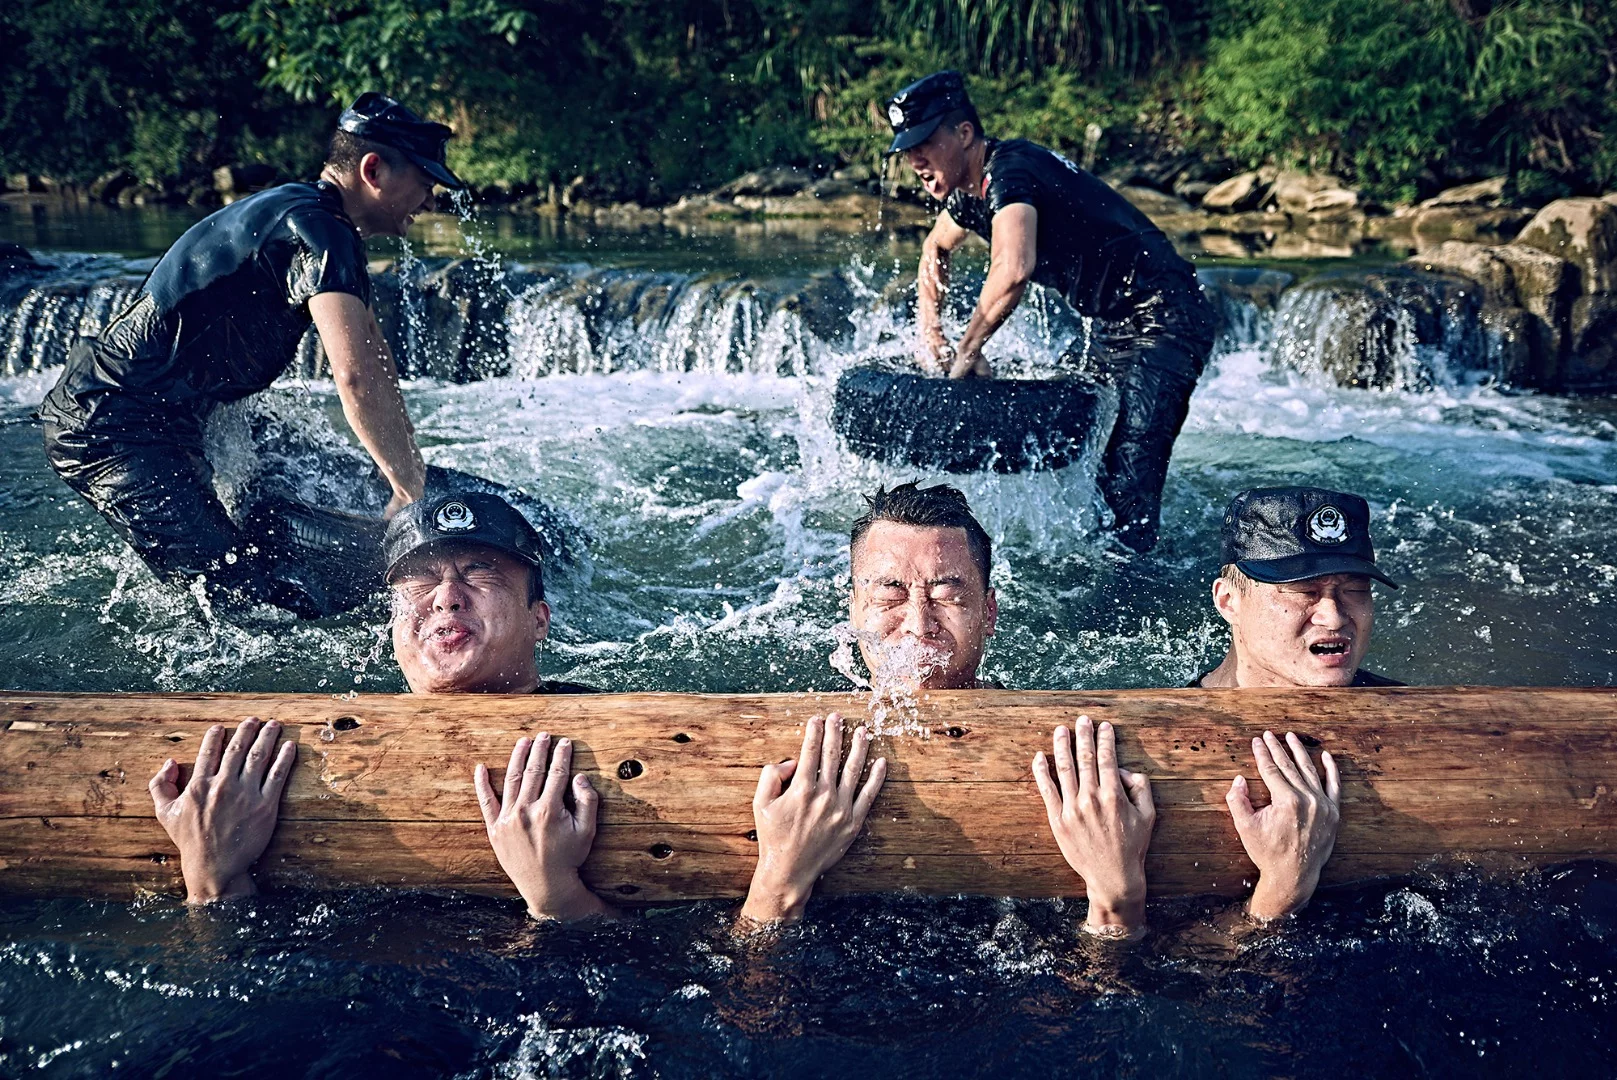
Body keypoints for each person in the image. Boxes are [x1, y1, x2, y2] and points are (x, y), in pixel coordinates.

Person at [149, 492, 888, 925]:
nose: (445, 595)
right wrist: (212, 881)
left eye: (478, 572)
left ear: (539, 618)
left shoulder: (622, 739)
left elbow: (681, 990)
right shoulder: (312, 748)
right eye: (421, 582)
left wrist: (555, 899)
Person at [41, 92, 461, 619]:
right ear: (373, 169)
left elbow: (376, 364)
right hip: (116, 428)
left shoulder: (303, 211)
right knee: (242, 603)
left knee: (284, 504)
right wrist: (405, 490)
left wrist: (412, 472)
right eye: (424, 183)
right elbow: (355, 380)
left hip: (171, 412)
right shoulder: (324, 234)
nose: (429, 200)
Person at [884, 71, 1218, 552]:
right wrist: (929, 334)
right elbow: (935, 247)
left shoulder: (1012, 170)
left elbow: (1013, 267)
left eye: (924, 143)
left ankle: (1134, 597)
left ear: (963, 134)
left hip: (1165, 315)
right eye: (907, 148)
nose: (914, 159)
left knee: (1128, 481)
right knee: (1089, 453)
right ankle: (1100, 556)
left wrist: (967, 349)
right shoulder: (966, 193)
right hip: (1113, 324)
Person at [1196, 486, 1403, 689]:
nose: (1334, 618)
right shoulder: (1172, 719)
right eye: (1305, 592)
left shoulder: (1415, 715)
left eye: (1353, 590)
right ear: (1228, 601)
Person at [847, 481, 998, 692]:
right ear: (853, 613)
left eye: (945, 595)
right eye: (891, 594)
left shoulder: (1044, 720)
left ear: (989, 613)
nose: (919, 627)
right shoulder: (809, 715)